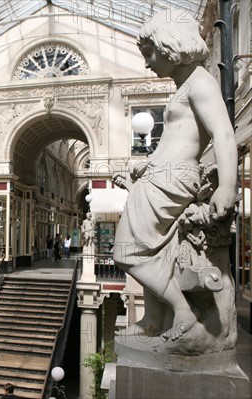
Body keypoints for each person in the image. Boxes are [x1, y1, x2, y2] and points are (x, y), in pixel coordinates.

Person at [112, 10, 237, 344]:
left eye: (149, 53)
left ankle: (183, 311)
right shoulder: (187, 85)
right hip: (162, 175)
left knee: (126, 251)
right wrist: (148, 164)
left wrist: (228, 186)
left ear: (170, 44)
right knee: (154, 251)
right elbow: (179, 140)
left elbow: (223, 133)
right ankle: (153, 318)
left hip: (172, 179)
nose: (148, 63)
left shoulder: (199, 81)